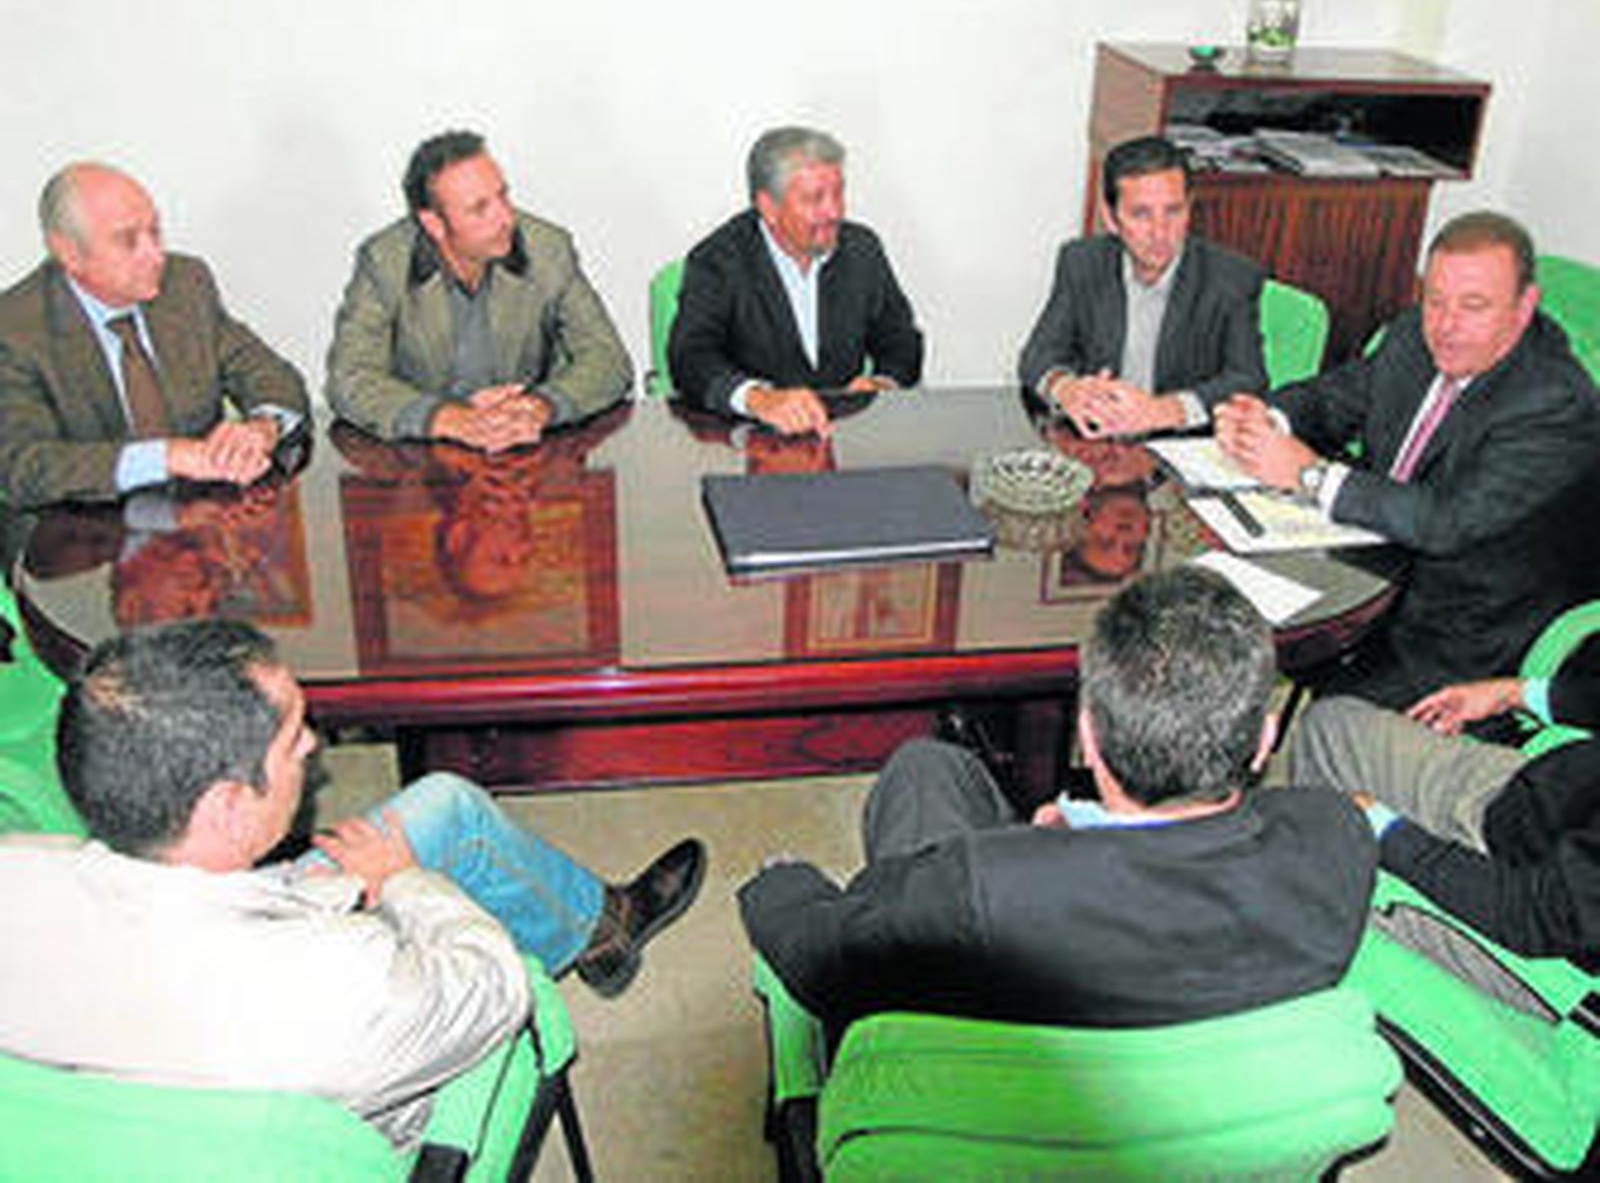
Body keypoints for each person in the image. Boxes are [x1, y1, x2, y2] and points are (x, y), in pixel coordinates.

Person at [0, 620, 705, 1145]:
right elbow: (495, 988)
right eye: (292, 737)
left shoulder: (18, 873)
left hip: (179, 989)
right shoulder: (346, 985)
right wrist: (403, 884)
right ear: (226, 804)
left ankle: (602, 924)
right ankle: (600, 928)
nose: (313, 744)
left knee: (444, 804)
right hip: (353, 1112)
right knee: (443, 872)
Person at [739, 566, 1375, 1038]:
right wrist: (1073, 842)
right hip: (1213, 1088)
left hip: (991, 1094)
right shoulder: (1339, 839)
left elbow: (821, 960)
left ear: (1088, 737)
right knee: (930, 766)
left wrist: (781, 883)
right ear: (1265, 740)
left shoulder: (982, 886)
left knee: (918, 780)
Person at [1216, 210, 1600, 708]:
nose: (1446, 326)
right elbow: (1337, 397)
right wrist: (1266, 419)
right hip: (1371, 569)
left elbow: (1446, 520)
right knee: (1218, 630)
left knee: (1314, 715)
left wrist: (1309, 474)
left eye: (1474, 306)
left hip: (1459, 635)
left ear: (1524, 307)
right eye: (1435, 300)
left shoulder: (1554, 403)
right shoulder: (1412, 337)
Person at [1292, 630, 1600, 1006]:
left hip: (1542, 941)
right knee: (1330, 725)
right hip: (1548, 799)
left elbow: (1536, 917)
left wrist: (1385, 830)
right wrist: (1517, 694)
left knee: (1305, 900)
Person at [0, 163, 309, 510]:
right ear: (69, 253)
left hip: (202, 520)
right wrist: (165, 457)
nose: (155, 256)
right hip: (88, 539)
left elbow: (271, 375)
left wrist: (262, 426)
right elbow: (25, 465)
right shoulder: (14, 329)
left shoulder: (185, 284)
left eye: (155, 232)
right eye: (128, 240)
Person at [326, 130, 633, 452]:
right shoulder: (385, 262)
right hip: (424, 465)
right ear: (434, 224)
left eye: (503, 196)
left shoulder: (547, 248)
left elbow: (608, 359)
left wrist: (541, 406)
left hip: (527, 455)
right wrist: (449, 419)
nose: (505, 218)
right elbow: (350, 378)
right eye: (479, 208)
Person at [668, 126, 924, 437]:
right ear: (768, 207)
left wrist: (881, 382)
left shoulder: (861, 249)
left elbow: (901, 340)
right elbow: (690, 357)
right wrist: (757, 399)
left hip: (844, 440)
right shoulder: (718, 261)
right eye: (815, 198)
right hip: (753, 446)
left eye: (838, 193)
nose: (834, 211)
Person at [1018, 134, 1267, 438]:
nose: (1160, 232)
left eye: (1173, 211)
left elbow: (1248, 379)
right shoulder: (1082, 262)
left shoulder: (1231, 277)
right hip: (1100, 443)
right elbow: (1037, 356)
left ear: (1190, 208)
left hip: (1178, 447)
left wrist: (1166, 410)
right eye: (1141, 214)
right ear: (1111, 218)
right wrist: (1065, 388)